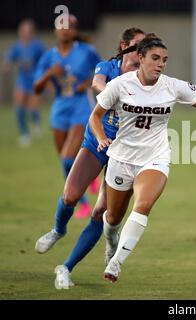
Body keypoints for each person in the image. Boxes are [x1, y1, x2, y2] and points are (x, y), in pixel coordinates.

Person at [89, 33, 196, 283]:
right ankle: (111, 244)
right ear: (141, 58)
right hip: (122, 157)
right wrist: (101, 137)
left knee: (143, 205)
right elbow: (95, 116)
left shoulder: (172, 86)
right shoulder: (120, 85)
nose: (160, 64)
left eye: (164, 60)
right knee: (112, 219)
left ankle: (116, 263)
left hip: (154, 157)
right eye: (155, 58)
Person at [34, 28, 145, 289]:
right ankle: (58, 230)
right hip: (97, 140)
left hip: (125, 151)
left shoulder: (146, 79)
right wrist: (112, 92)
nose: (141, 51)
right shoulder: (107, 66)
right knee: (71, 195)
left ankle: (66, 267)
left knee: (103, 214)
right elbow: (97, 84)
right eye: (137, 45)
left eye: (145, 46)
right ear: (124, 45)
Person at [33, 15, 101, 218]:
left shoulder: (86, 51)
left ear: (75, 31)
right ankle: (86, 183)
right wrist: (49, 74)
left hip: (82, 106)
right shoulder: (49, 57)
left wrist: (89, 82)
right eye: (60, 27)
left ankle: (83, 204)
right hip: (60, 107)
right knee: (64, 158)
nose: (64, 31)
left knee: (66, 158)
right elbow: (36, 88)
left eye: (69, 27)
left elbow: (104, 72)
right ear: (55, 30)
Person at [3, 19, 45, 147]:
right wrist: (6, 66)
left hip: (35, 80)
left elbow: (45, 62)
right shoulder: (17, 46)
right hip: (22, 81)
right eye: (23, 30)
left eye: (28, 31)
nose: (25, 33)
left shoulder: (37, 46)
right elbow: (9, 61)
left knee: (32, 108)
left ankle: (37, 122)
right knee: (19, 109)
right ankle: (25, 134)